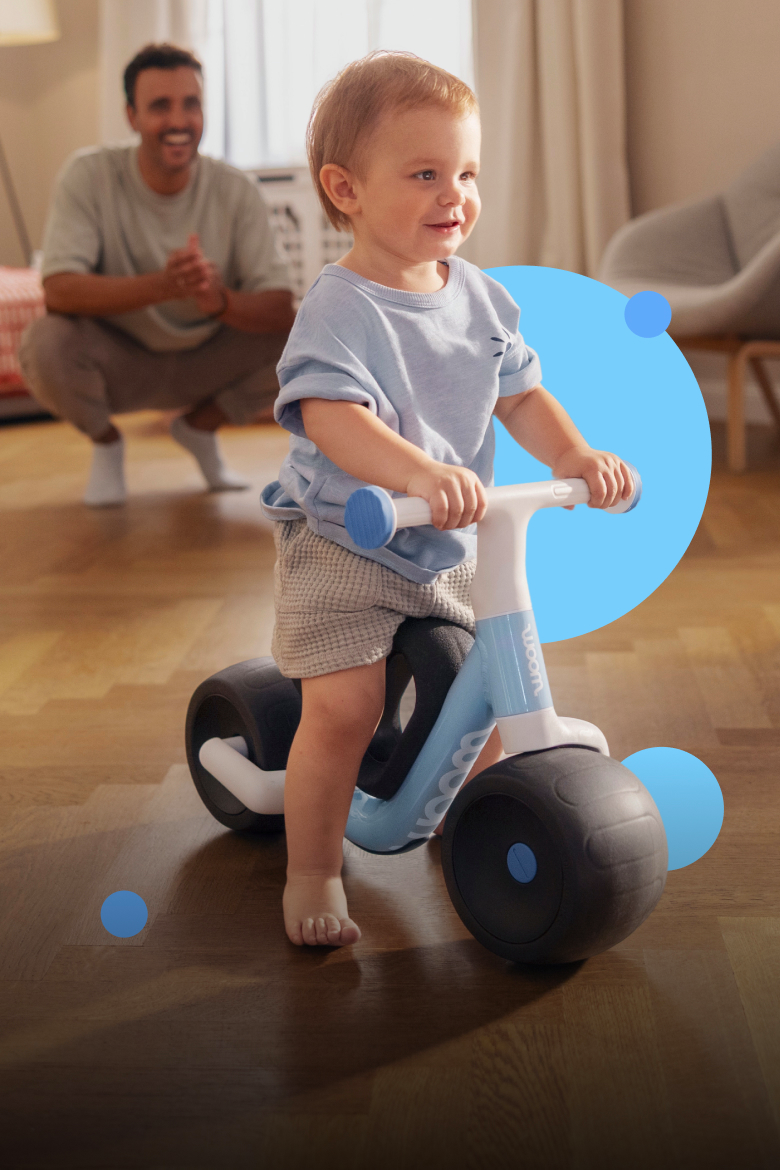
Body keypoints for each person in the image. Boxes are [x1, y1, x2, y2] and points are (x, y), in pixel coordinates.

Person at [260, 51, 635, 948]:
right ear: (345, 189)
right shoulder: (341, 307)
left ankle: (475, 820)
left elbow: (520, 394)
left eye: (466, 173)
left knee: (492, 703)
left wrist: (575, 453)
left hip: (447, 544)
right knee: (344, 711)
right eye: (424, 174)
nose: (454, 194)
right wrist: (417, 474)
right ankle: (311, 869)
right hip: (347, 541)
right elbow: (331, 415)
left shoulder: (481, 297)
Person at [20, 43, 295, 507]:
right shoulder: (88, 174)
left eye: (191, 104)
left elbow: (281, 307)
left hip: (208, 356)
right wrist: (163, 286)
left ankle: (198, 428)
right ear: (131, 116)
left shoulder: (234, 188)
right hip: (119, 360)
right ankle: (107, 443)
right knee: (42, 343)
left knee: (310, 334)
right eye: (160, 106)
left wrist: (218, 300)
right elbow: (58, 291)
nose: (179, 121)